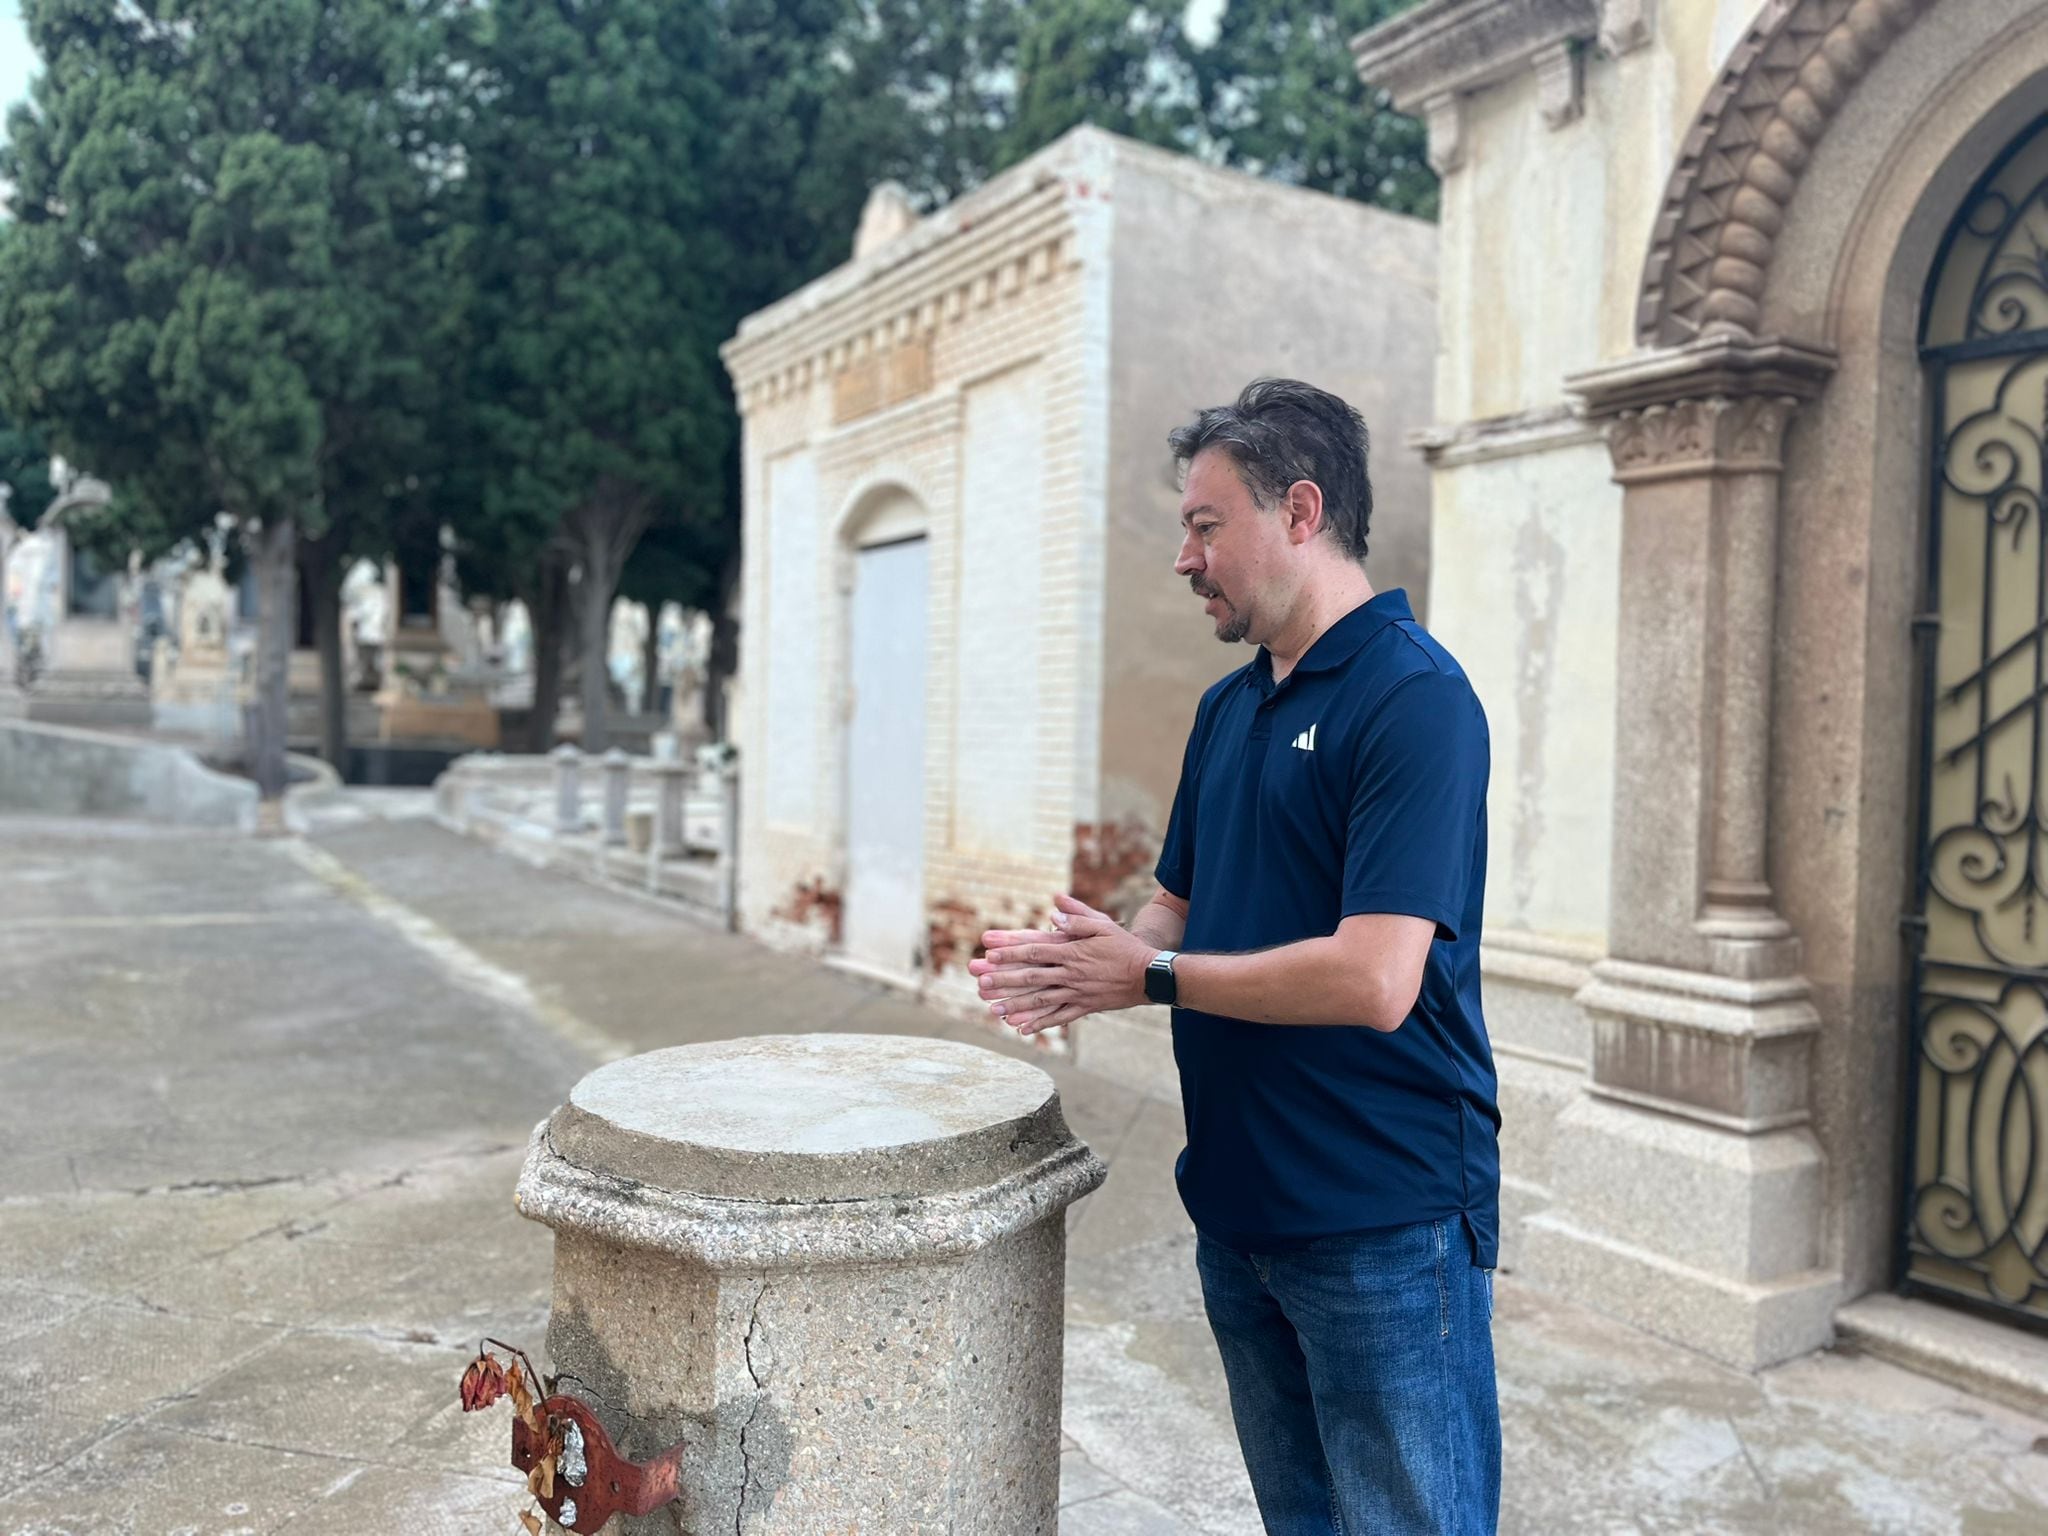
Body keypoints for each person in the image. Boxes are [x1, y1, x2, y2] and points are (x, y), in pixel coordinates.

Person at [970, 378, 1501, 1535]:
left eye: (1205, 526)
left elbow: (1375, 977)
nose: (1183, 558)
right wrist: (1091, 956)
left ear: (1299, 512)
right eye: (1183, 530)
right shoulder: (1229, 710)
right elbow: (1174, 907)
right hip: (1240, 1214)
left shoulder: (1415, 701)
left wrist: (1148, 976)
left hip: (1383, 1221)